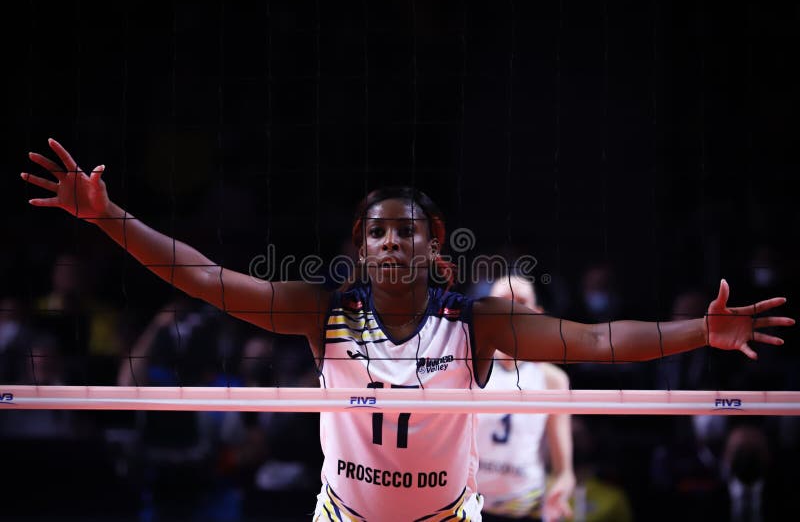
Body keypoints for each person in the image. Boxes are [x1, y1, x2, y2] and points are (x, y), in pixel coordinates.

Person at [21, 138, 794, 521]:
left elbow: (593, 343)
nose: (392, 241)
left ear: (435, 245)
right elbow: (200, 278)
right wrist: (108, 217)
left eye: (407, 230)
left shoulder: (478, 323)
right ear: (360, 249)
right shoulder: (321, 312)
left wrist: (703, 331)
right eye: (377, 232)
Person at [477, 275, 575, 521]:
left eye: (521, 301)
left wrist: (560, 489)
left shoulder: (553, 380)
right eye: (504, 300)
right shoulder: (464, 370)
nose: (512, 307)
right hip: (469, 504)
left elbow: (565, 472)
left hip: (524, 506)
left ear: (537, 313)